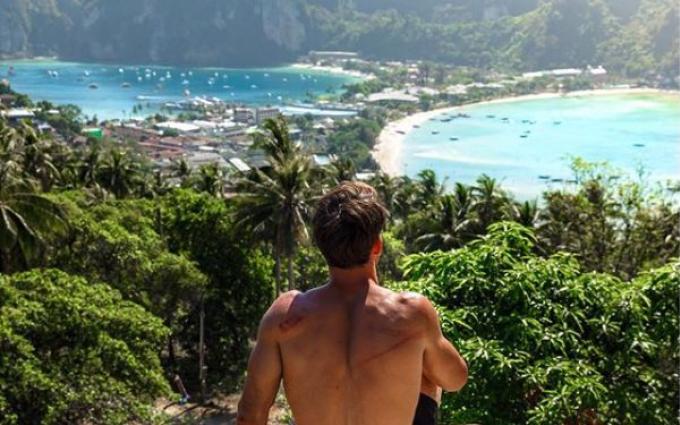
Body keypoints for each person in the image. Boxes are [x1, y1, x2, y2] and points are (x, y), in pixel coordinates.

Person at [237, 182, 467, 425]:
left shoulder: (285, 316)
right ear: (377, 245)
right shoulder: (411, 312)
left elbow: (249, 415)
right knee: (427, 377)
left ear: (323, 247)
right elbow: (455, 379)